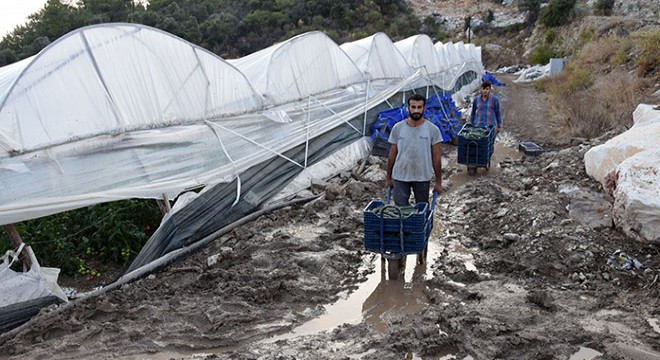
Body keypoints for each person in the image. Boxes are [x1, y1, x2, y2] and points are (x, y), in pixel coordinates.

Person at [386, 94, 442, 207]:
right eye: (413, 107)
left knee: (421, 209)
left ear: (424, 108)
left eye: (419, 107)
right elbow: (392, 154)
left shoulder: (432, 130)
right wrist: (388, 176)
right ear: (408, 108)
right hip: (400, 176)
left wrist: (438, 182)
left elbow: (436, 158)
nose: (416, 110)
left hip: (422, 177)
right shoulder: (398, 128)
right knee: (400, 210)